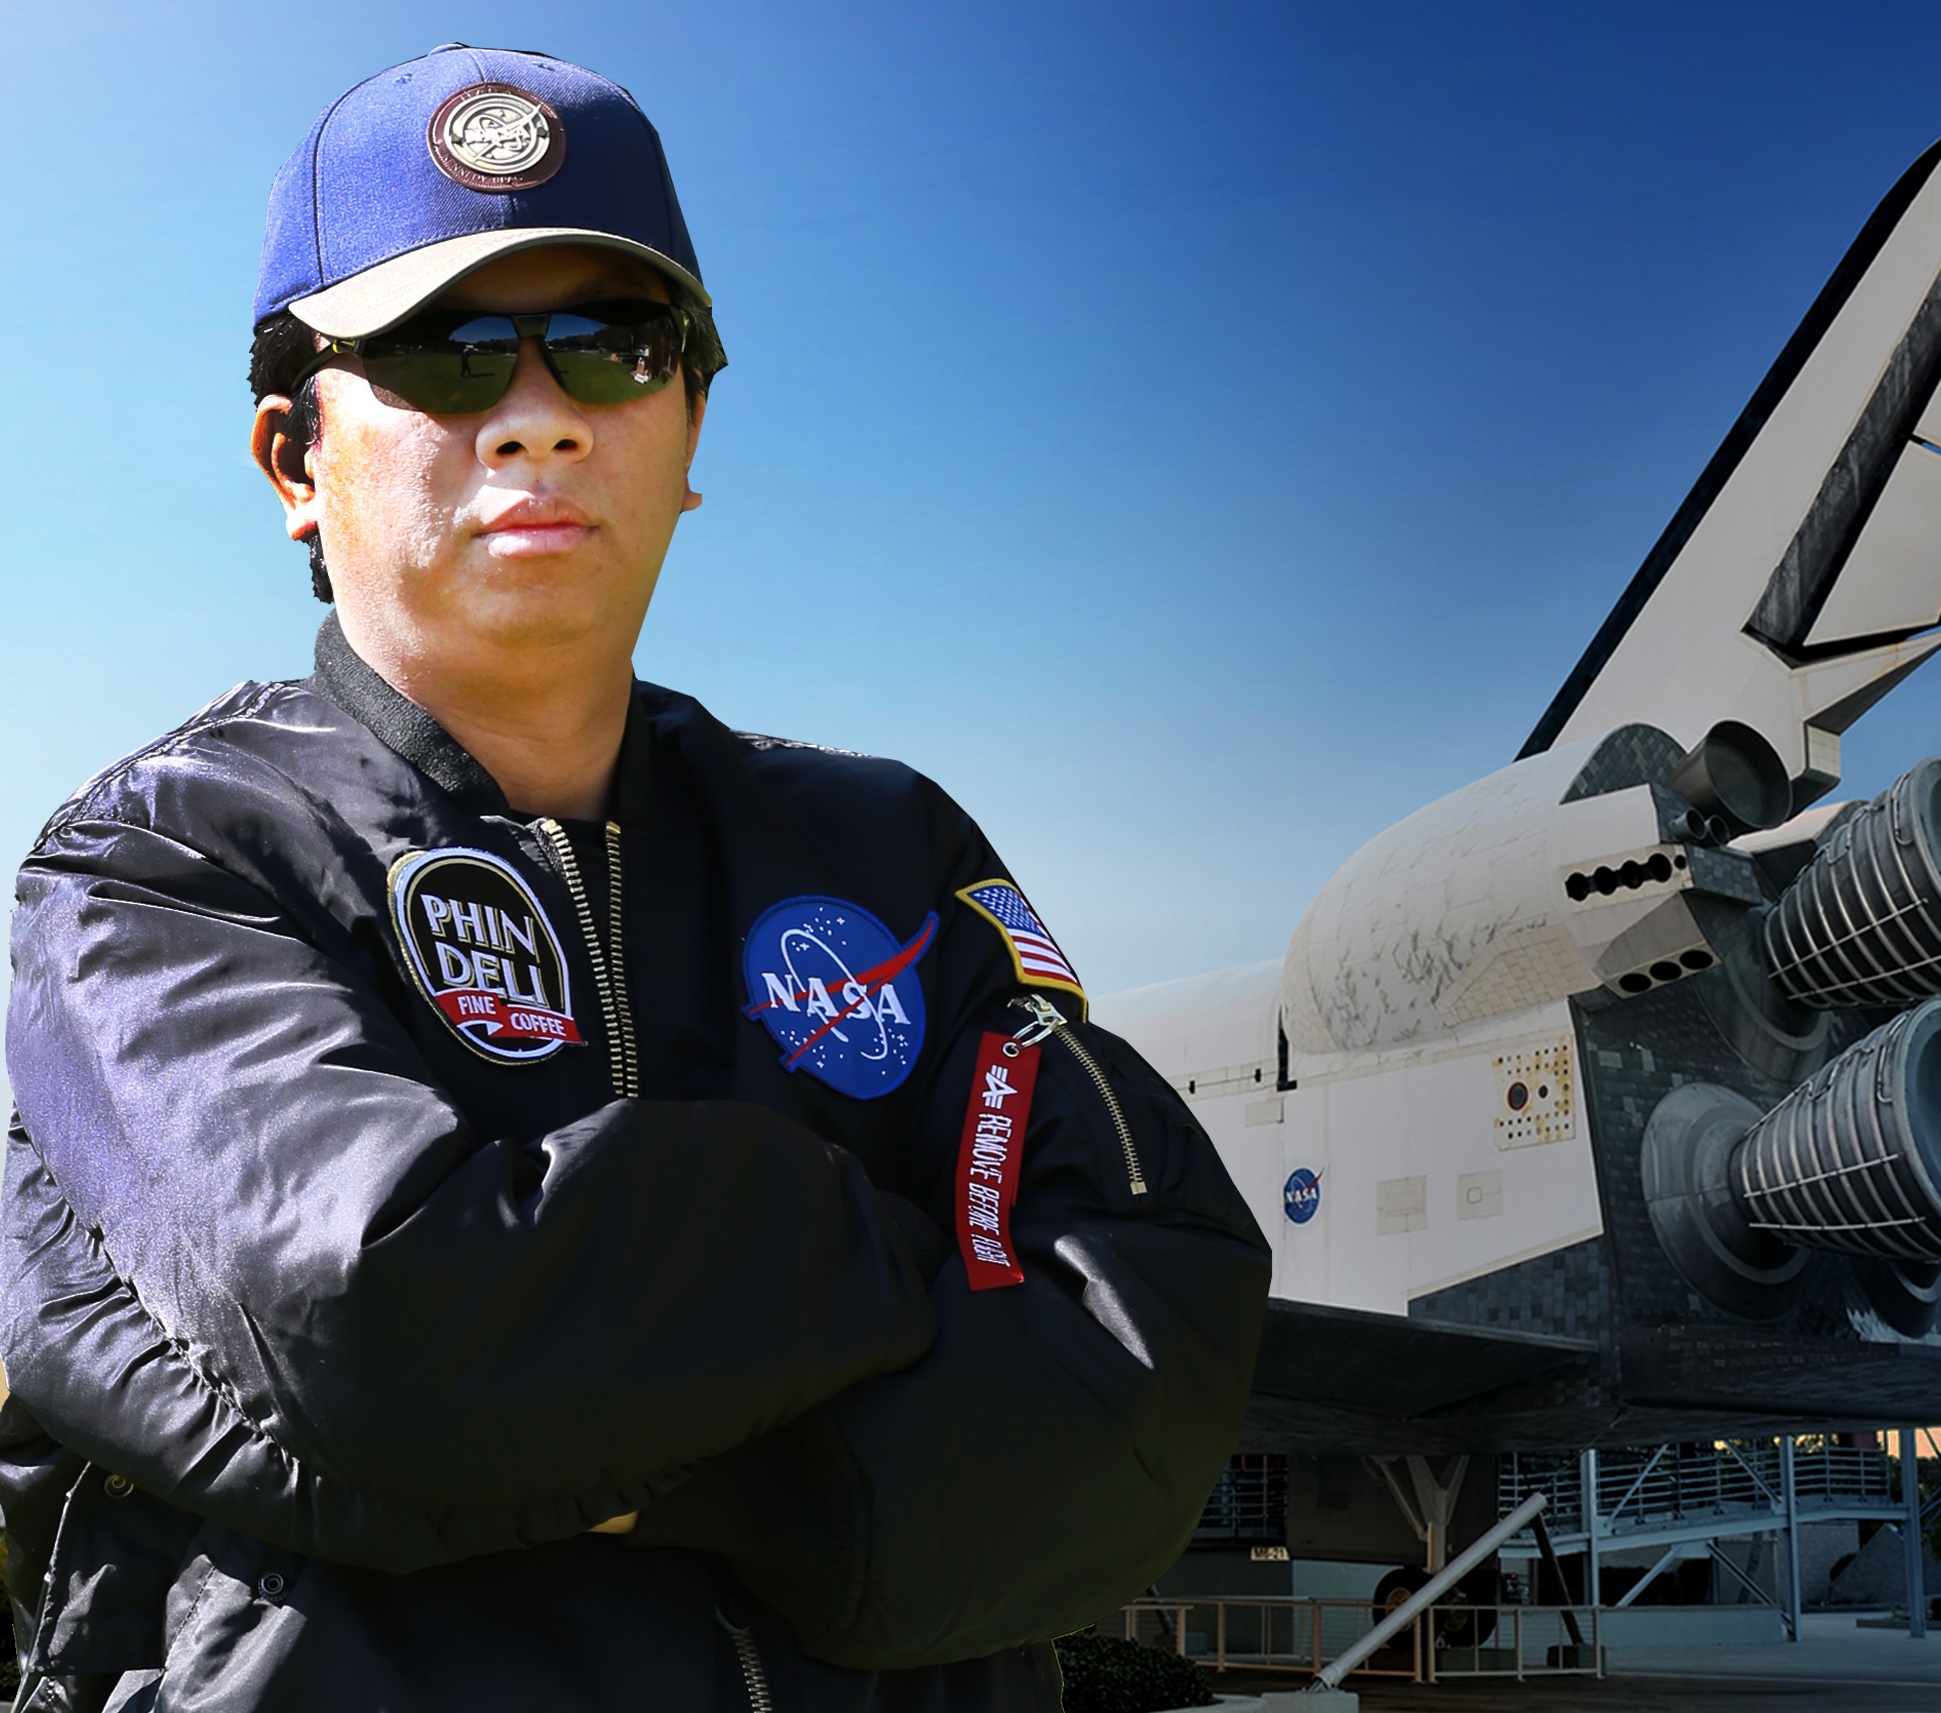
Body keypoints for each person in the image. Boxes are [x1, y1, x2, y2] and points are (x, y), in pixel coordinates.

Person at [0, 44, 1269, 1713]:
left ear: (688, 431)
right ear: (295, 460)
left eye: (614, 345)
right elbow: (384, 1325)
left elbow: (1148, 1365)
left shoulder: (894, 849)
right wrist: (856, 1236)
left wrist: (641, 1464)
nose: (538, 414)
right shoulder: (160, 860)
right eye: (446, 351)